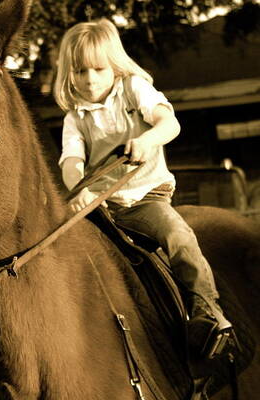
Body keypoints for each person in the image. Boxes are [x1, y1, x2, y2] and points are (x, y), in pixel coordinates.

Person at [52, 18, 232, 358]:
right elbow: (71, 161)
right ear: (68, 74)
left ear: (114, 68)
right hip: (101, 205)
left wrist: (148, 139)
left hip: (144, 198)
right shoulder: (75, 118)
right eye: (79, 72)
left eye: (97, 69)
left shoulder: (133, 89)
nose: (89, 80)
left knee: (177, 235)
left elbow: (169, 123)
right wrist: (80, 190)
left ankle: (208, 310)